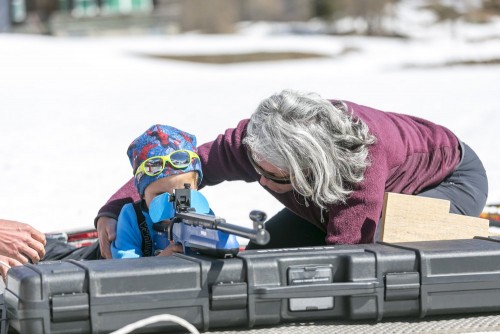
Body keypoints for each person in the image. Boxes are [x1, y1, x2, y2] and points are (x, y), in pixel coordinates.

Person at [95, 90, 488, 257]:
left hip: (450, 179)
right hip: (330, 198)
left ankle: (465, 227)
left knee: (387, 238)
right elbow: (178, 163)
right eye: (256, 170)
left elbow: (345, 256)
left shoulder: (361, 169)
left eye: (275, 178)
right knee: (262, 256)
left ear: (308, 169)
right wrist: (114, 207)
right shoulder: (256, 141)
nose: (262, 182)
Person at [111, 124, 204, 258]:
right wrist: (160, 262)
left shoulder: (201, 211)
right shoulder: (132, 217)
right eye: (160, 195)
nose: (172, 203)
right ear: (143, 195)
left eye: (182, 194)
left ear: (195, 188)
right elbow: (124, 269)